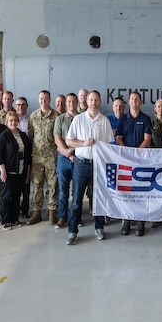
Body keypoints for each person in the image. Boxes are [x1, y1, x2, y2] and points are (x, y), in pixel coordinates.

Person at [65, 90, 114, 244]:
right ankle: (72, 231)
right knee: (77, 199)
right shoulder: (79, 119)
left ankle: (99, 227)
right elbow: (69, 141)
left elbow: (109, 144)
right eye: (91, 100)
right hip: (81, 163)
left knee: (98, 198)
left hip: (99, 164)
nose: (94, 103)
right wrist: (83, 143)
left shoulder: (104, 121)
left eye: (96, 100)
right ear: (87, 101)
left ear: (99, 102)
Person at [115, 91, 152, 236]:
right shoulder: (123, 118)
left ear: (140, 102)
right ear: (128, 102)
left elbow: (147, 139)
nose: (134, 101)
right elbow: (119, 138)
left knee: (140, 192)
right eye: (131, 99)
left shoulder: (146, 118)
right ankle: (127, 221)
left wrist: (136, 154)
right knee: (127, 192)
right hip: (125, 161)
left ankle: (141, 222)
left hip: (141, 161)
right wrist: (129, 155)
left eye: (136, 99)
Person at [26, 90, 59, 225]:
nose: (43, 101)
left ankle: (52, 212)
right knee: (37, 185)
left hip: (52, 157)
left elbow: (59, 136)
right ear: (38, 100)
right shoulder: (33, 116)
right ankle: (37, 212)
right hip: (37, 158)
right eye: (41, 98)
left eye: (45, 98)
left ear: (49, 100)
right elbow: (30, 137)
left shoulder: (56, 116)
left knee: (53, 185)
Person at [0, 111, 32, 231]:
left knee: (16, 196)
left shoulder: (22, 135)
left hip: (20, 171)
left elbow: (27, 154)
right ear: (7, 121)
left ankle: (14, 218)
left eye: (15, 120)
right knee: (6, 197)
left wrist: (27, 170)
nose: (13, 122)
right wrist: (3, 171)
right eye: (10, 120)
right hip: (8, 171)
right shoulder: (4, 136)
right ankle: (6, 221)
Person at [53, 93, 78, 228]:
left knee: (76, 191)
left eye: (73, 101)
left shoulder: (82, 118)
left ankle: (76, 217)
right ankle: (62, 217)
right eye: (69, 101)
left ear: (77, 102)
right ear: (66, 103)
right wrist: (67, 153)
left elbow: (84, 139)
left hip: (78, 158)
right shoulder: (60, 119)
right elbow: (57, 138)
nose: (71, 104)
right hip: (63, 158)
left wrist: (73, 153)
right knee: (63, 191)